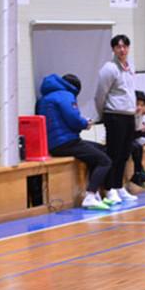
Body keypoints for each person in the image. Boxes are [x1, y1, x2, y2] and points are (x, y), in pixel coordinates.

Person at [36, 73, 113, 210]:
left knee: (99, 150)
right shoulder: (66, 95)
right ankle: (90, 196)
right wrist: (85, 124)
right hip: (67, 142)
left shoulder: (44, 98)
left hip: (53, 144)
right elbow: (73, 119)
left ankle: (95, 195)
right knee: (104, 160)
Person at [95, 34, 139, 204]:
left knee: (124, 154)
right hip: (114, 115)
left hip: (129, 115)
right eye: (118, 47)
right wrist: (102, 114)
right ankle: (109, 189)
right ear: (113, 49)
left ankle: (119, 186)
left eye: (125, 46)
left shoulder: (130, 66)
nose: (122, 50)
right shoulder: (109, 68)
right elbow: (100, 94)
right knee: (113, 153)